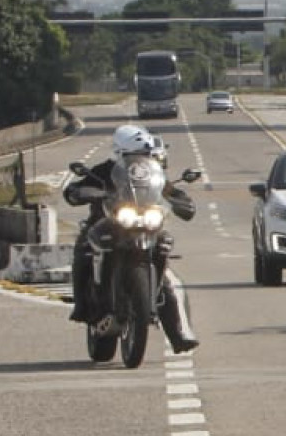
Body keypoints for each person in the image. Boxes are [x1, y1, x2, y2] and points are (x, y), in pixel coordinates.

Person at [63, 123, 200, 353]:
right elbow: (74, 189)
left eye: (144, 154)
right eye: (134, 154)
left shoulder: (151, 171)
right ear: (120, 153)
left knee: (164, 274)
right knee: (84, 250)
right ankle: (83, 308)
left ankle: (177, 334)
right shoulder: (103, 170)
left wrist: (179, 198)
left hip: (145, 223)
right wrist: (79, 192)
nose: (140, 159)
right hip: (107, 222)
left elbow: (167, 189)